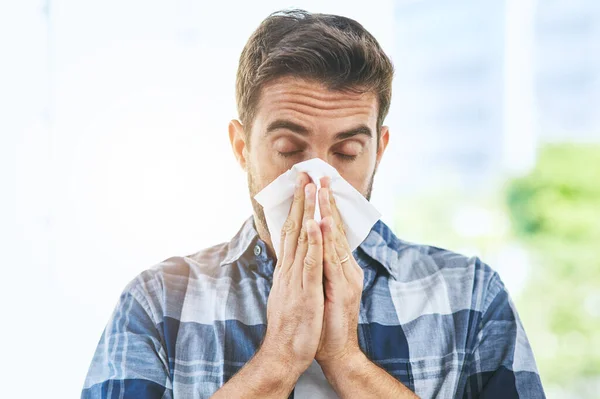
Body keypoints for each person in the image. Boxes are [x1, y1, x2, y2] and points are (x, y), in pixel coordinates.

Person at [82, 9, 545, 399]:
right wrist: (279, 359)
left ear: (379, 150)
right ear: (242, 147)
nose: (316, 178)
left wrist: (346, 361)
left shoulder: (470, 296)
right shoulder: (159, 303)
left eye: (346, 153)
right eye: (288, 148)